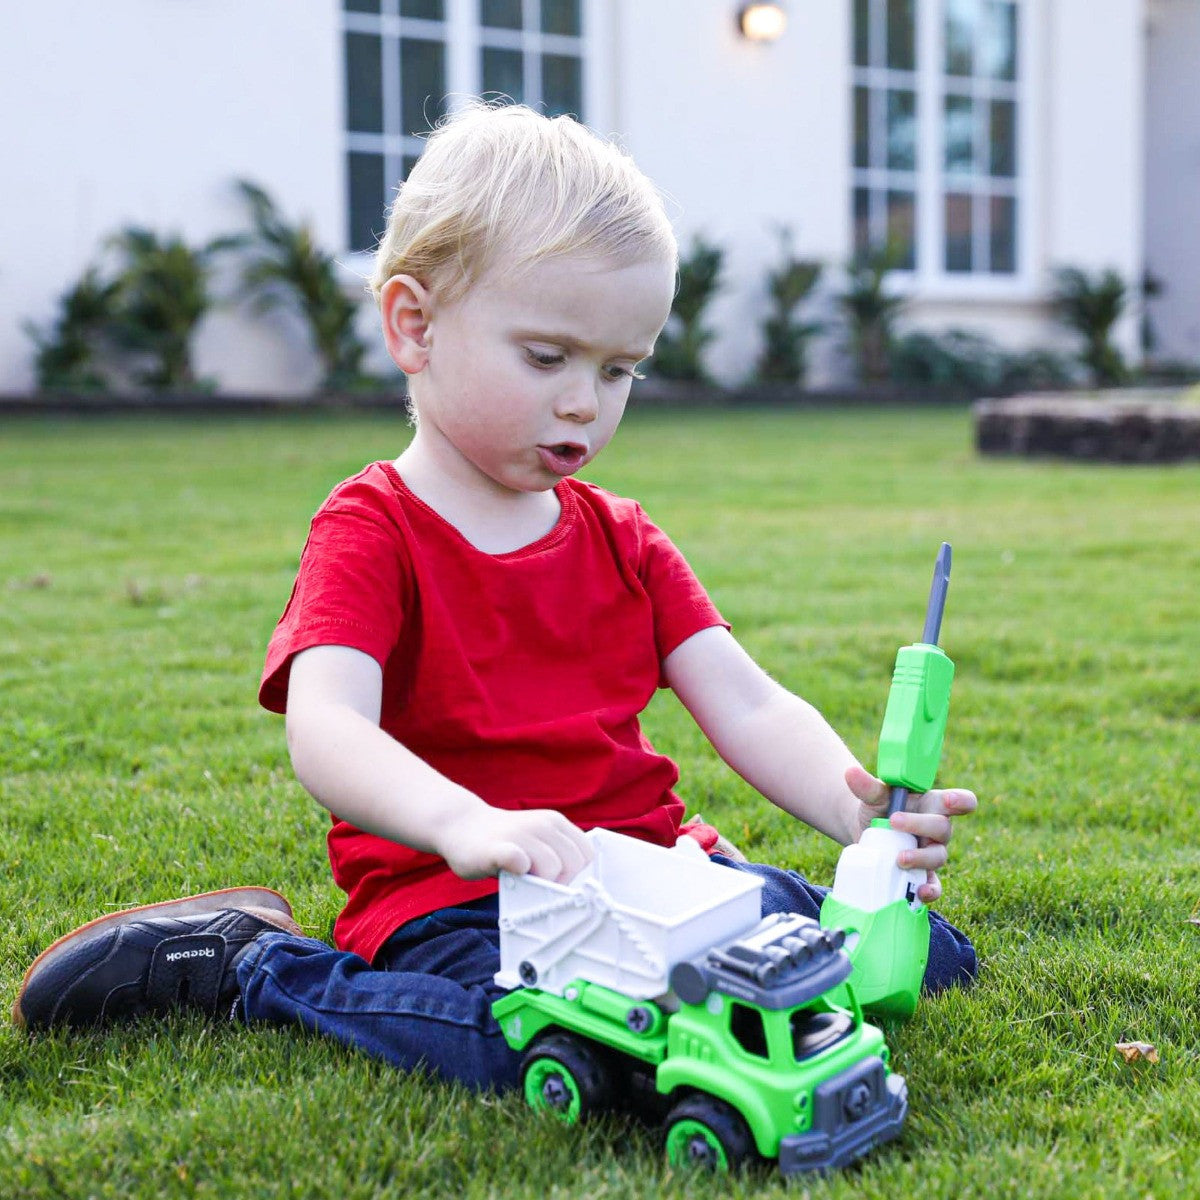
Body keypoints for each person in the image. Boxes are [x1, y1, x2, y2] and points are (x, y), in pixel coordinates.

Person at [13, 103, 977, 1089]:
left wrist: (853, 809)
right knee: (546, 1053)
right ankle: (249, 964)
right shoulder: (371, 529)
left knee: (931, 956)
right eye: (549, 357)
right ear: (414, 325)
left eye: (620, 371)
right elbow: (328, 731)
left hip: (647, 875)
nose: (583, 403)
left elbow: (750, 701)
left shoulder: (625, 538)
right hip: (463, 898)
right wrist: (466, 824)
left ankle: (719, 915)